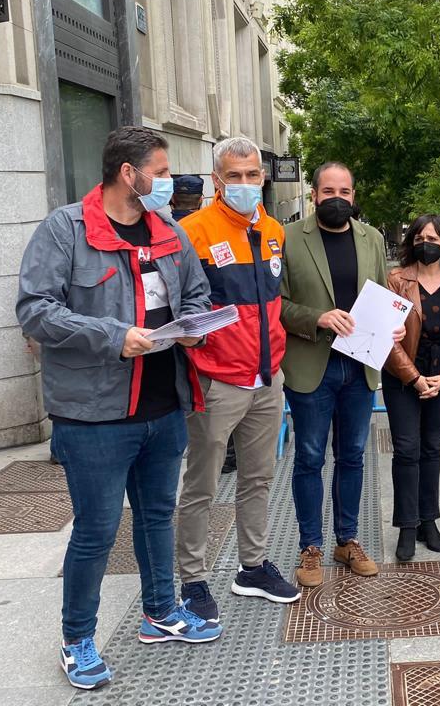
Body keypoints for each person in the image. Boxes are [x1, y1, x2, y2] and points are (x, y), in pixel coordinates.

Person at [16, 127, 220, 691]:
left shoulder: (169, 231)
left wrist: (196, 328)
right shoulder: (67, 229)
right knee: (96, 531)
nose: (169, 179)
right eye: (160, 168)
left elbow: (196, 294)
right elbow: (35, 310)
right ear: (129, 174)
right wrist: (112, 336)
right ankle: (77, 639)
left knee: (158, 516)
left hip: (163, 404)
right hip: (94, 415)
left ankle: (160, 612)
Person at [175, 137, 299, 623]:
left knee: (259, 477)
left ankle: (252, 566)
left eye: (252, 175)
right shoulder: (192, 231)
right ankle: (193, 579)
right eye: (234, 176)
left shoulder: (273, 231)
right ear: (216, 180)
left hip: (267, 379)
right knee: (202, 484)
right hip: (216, 381)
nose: (244, 184)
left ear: (262, 178)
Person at [280, 162, 402, 583]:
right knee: (310, 458)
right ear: (314, 195)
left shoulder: (372, 239)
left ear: (354, 196)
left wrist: (394, 326)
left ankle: (346, 540)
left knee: (352, 456)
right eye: (328, 191)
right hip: (312, 365)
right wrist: (317, 317)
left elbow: (383, 295)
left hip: (360, 366)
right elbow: (276, 305)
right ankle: (309, 546)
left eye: (345, 192)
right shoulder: (289, 238)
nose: (337, 198)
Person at [384, 215, 440, 561]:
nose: (427, 243)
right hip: (403, 379)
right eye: (421, 237)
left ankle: (428, 520)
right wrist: (415, 378)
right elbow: (388, 336)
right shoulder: (397, 280)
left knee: (432, 449)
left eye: (434, 238)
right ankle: (407, 526)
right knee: (407, 450)